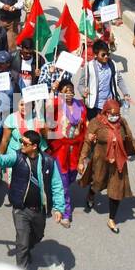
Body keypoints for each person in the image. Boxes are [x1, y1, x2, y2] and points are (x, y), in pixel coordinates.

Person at [0, 130, 64, 269]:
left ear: (35, 146)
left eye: (25, 143)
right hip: (21, 209)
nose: (21, 145)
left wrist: (59, 208)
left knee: (37, 236)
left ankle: (24, 250)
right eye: (21, 141)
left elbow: (57, 185)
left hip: (39, 210)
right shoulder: (17, 157)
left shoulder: (49, 162)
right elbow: (2, 160)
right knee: (22, 243)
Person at [78, 98, 135, 233]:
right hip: (101, 159)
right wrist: (82, 161)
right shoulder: (96, 123)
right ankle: (91, 194)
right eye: (112, 114)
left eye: (117, 114)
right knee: (98, 182)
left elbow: (131, 139)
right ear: (105, 112)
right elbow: (87, 142)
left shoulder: (122, 123)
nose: (115, 116)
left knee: (116, 189)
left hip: (118, 161)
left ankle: (112, 219)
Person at [47, 81, 86, 227]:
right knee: (63, 183)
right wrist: (53, 90)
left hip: (75, 149)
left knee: (70, 178)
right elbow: (48, 112)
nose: (68, 92)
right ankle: (66, 213)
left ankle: (56, 193)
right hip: (60, 149)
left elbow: (84, 127)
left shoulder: (80, 105)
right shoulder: (57, 104)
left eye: (71, 90)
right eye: (65, 90)